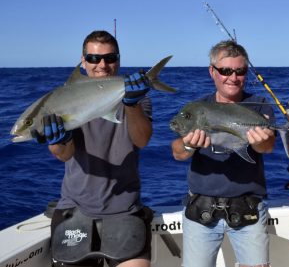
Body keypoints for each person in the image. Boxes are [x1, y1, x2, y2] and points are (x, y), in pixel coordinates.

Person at [43, 30, 154, 267]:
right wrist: (58, 140)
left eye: (110, 58)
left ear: (119, 60)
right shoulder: (63, 99)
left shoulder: (137, 98)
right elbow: (63, 155)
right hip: (75, 207)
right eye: (94, 58)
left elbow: (142, 140)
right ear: (83, 61)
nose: (102, 65)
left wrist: (131, 104)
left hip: (125, 208)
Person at [171, 40, 275, 267]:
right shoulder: (197, 108)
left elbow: (267, 148)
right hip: (201, 212)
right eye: (225, 71)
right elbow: (178, 152)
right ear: (212, 71)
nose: (233, 77)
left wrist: (261, 140)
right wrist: (190, 145)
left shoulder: (259, 106)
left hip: (248, 211)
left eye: (240, 71)